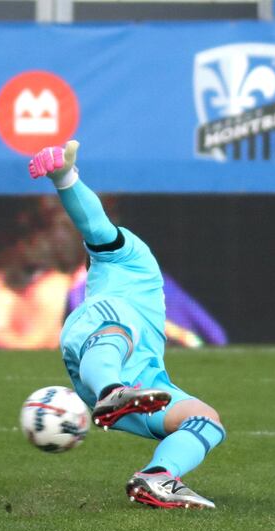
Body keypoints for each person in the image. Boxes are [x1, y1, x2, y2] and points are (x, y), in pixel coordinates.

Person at [28, 141, 226, 509]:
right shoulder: (120, 265)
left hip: (141, 381)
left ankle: (158, 476)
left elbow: (98, 231)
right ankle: (111, 391)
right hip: (102, 349)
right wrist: (65, 178)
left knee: (206, 420)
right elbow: (95, 224)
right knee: (120, 320)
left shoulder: (131, 273)